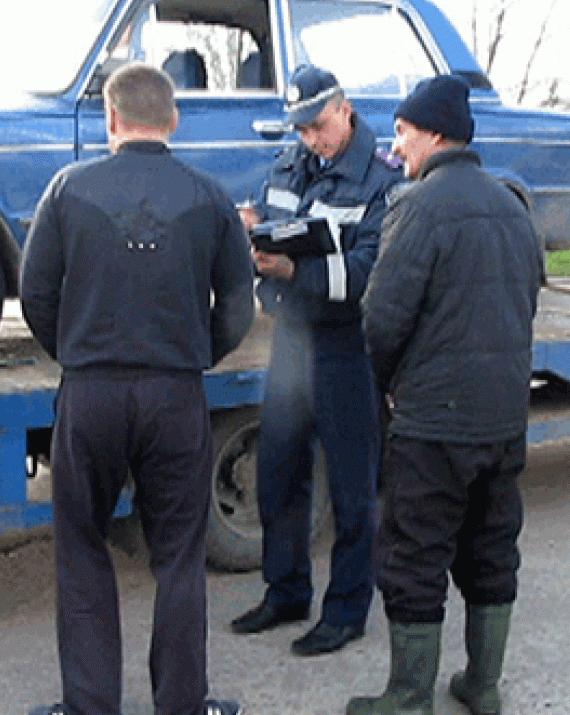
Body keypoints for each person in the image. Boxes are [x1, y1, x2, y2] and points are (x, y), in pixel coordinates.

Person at [20, 62, 255, 715]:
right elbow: (238, 303)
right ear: (173, 119)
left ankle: (89, 707)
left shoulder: (68, 188)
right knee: (179, 557)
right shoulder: (209, 196)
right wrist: (196, 353)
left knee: (83, 551)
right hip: (174, 393)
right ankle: (182, 705)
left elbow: (36, 293)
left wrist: (75, 353)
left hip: (91, 393)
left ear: (112, 119)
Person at [348, 75, 544, 715]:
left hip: (433, 425)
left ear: (432, 133)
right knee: (491, 550)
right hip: (504, 419)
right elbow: (528, 301)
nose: (397, 146)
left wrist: (390, 387)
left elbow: (381, 320)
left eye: (402, 133)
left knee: (414, 556)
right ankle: (481, 686)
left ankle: (408, 699)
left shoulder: (417, 206)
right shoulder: (513, 207)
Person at [231, 65, 404, 657]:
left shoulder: (382, 181)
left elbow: (370, 273)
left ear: (346, 109)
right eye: (302, 131)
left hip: (347, 345)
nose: (312, 139)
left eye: (319, 126)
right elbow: (269, 221)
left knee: (353, 489)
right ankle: (286, 591)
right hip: (292, 338)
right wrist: (251, 233)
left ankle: (347, 610)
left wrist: (295, 271)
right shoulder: (288, 166)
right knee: (278, 471)